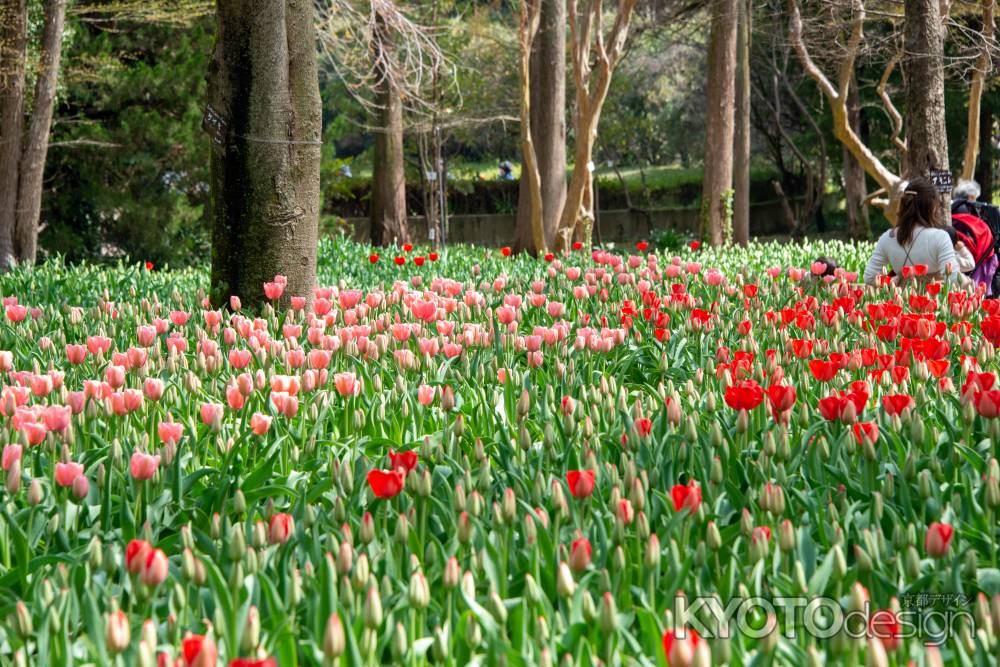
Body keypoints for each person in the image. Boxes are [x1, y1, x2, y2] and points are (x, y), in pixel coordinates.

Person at [863, 177, 961, 285]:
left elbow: (869, 277)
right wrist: (969, 283)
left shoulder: (887, 238)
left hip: (899, 301)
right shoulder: (940, 237)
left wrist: (891, 282)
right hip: (934, 300)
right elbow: (954, 280)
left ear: (903, 205)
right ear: (932, 207)